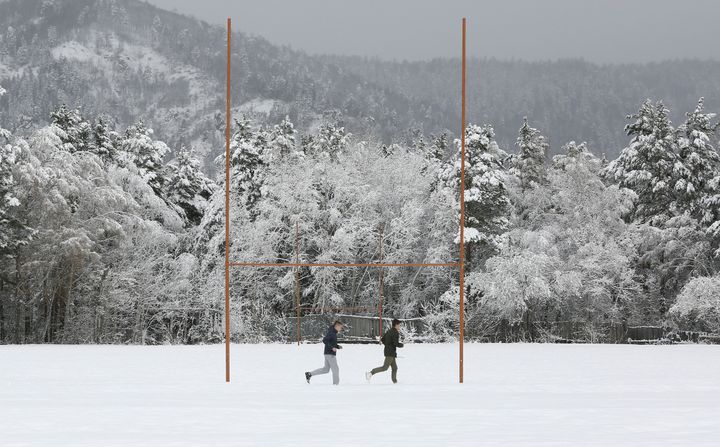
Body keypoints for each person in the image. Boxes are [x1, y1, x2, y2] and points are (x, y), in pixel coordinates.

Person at [305, 320, 343, 385]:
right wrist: (332, 348)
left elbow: (330, 342)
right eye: (340, 327)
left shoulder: (333, 332)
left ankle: (309, 374)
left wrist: (337, 346)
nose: (341, 329)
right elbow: (324, 340)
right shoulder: (331, 333)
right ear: (336, 326)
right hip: (330, 354)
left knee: (326, 369)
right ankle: (336, 385)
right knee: (335, 369)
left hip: (327, 353)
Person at [366, 318, 404, 384]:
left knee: (395, 368)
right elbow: (396, 343)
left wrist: (388, 345)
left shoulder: (389, 331)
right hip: (390, 353)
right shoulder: (395, 332)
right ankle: (371, 373)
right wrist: (401, 345)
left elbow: (383, 340)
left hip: (389, 351)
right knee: (385, 368)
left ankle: (395, 382)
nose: (400, 326)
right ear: (396, 325)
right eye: (399, 325)